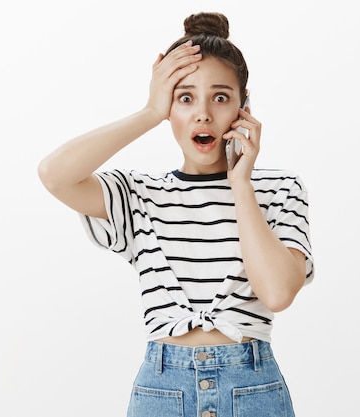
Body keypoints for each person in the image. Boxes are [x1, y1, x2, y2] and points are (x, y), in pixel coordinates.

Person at [37, 11, 314, 417]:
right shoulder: (140, 194)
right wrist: (149, 111)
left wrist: (241, 183)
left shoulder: (279, 189)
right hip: (163, 392)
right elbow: (54, 174)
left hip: (253, 389)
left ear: (244, 106)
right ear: (170, 107)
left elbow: (277, 293)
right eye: (185, 98)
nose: (203, 114)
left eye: (220, 97)